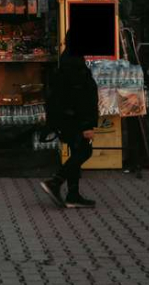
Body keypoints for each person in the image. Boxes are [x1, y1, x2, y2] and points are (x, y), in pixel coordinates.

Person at [40, 29, 99, 208]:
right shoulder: (75, 64)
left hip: (67, 117)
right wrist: (87, 125)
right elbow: (80, 98)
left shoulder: (69, 58)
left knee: (77, 151)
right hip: (74, 119)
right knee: (84, 151)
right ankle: (55, 182)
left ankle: (73, 195)